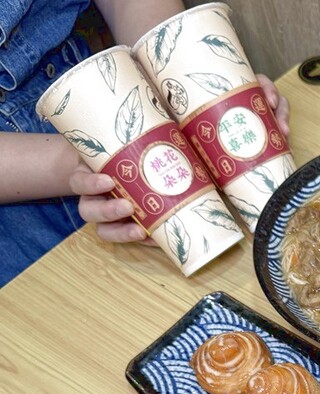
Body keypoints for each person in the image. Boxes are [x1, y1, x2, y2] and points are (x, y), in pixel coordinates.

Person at [0, 0, 289, 286]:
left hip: (100, 92)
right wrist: (92, 160)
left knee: (282, 231)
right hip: (19, 227)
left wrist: (174, 75)